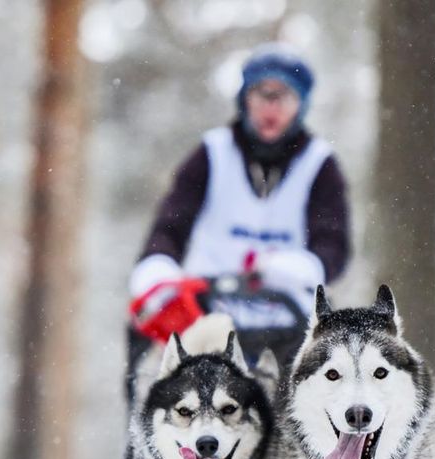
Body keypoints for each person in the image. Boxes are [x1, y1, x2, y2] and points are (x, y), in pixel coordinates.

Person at [125, 43, 352, 387]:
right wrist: (157, 264)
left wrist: (307, 266)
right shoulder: (212, 153)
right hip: (206, 303)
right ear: (245, 99)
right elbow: (172, 222)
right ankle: (142, 432)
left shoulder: (320, 164)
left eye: (284, 96)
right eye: (263, 94)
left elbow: (333, 241)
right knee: (144, 338)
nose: (271, 107)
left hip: (285, 304)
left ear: (301, 104)